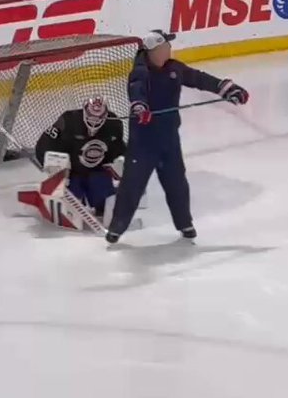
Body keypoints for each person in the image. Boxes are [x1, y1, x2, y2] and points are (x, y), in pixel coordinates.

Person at [106, 30, 249, 244]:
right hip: (143, 143)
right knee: (132, 185)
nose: (169, 49)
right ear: (155, 50)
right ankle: (117, 227)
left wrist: (227, 89)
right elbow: (136, 93)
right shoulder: (141, 72)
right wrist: (140, 109)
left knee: (177, 183)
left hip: (169, 139)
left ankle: (184, 223)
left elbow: (199, 78)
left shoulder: (174, 68)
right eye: (165, 46)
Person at [34, 96, 126, 218]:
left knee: (105, 200)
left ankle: (100, 202)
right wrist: (52, 164)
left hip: (97, 171)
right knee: (70, 208)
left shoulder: (114, 124)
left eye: (98, 118)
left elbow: (119, 150)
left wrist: (120, 161)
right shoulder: (68, 120)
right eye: (91, 117)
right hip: (72, 173)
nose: (94, 122)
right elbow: (45, 144)